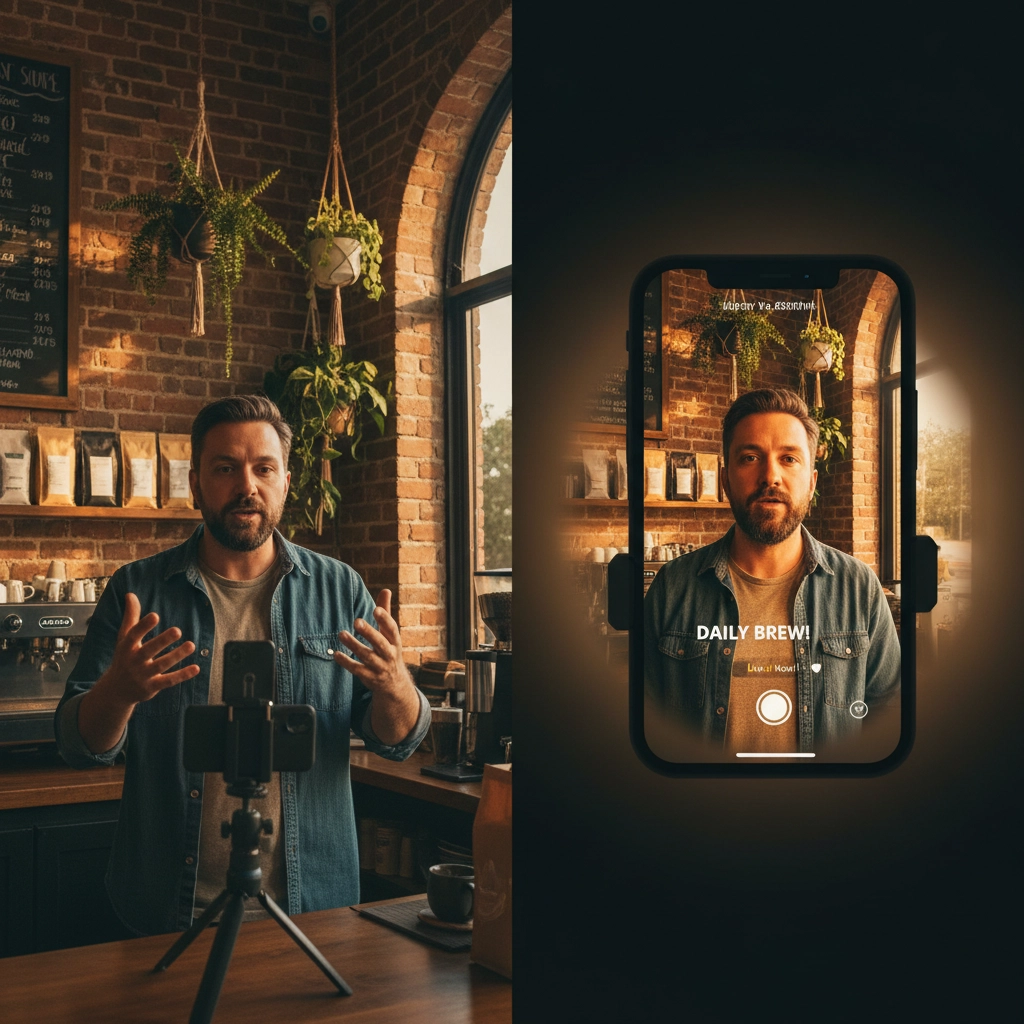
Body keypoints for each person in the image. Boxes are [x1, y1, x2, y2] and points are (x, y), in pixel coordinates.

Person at [55, 395, 430, 936]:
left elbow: (397, 741)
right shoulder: (137, 591)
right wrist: (118, 691)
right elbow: (77, 745)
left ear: (285, 481)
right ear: (196, 484)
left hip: (315, 910)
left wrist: (396, 684)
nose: (245, 485)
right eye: (225, 468)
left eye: (263, 468)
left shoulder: (339, 588)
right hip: (166, 909)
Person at [644, 388, 900, 756]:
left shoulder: (859, 588)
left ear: (811, 482)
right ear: (726, 479)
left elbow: (888, 717)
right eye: (750, 457)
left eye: (789, 459)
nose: (771, 476)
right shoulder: (673, 588)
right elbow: (648, 722)